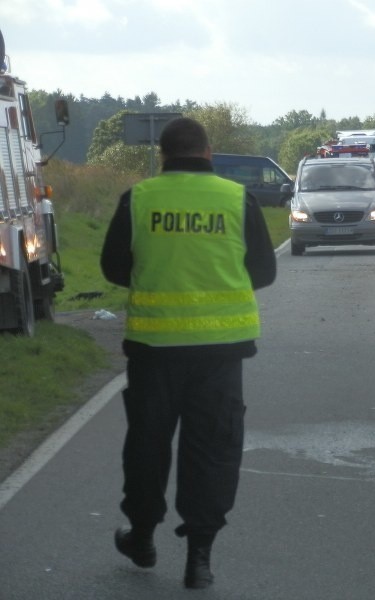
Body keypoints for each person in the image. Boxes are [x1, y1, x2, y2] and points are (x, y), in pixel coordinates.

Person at [100, 117, 276, 590]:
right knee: (213, 450)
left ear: (163, 154)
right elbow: (263, 272)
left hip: (154, 352)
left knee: (146, 447)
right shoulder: (237, 200)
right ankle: (199, 557)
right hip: (220, 354)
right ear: (208, 152)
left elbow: (113, 268)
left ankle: (141, 537)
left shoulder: (138, 199)